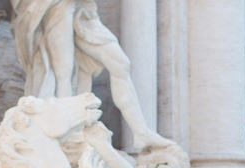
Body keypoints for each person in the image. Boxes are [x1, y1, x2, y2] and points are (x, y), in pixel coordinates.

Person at [9, 0, 169, 149]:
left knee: (120, 62)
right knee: (63, 70)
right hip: (51, 6)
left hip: (82, 11)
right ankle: (67, 132)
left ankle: (141, 132)